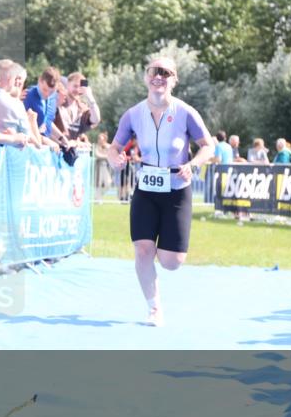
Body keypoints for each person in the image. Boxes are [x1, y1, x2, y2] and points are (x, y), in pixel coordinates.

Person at [107, 57, 214, 327]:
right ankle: (154, 307)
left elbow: (208, 146)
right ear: (146, 77)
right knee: (143, 250)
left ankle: (163, 250)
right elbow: (114, 147)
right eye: (154, 72)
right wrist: (114, 158)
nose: (159, 77)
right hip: (145, 189)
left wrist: (192, 164)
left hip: (177, 190)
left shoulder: (186, 112)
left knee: (171, 262)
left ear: (174, 80)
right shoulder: (133, 114)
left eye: (166, 73)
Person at [61, 72, 100, 141]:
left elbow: (96, 119)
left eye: (80, 87)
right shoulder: (59, 102)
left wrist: (90, 97)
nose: (78, 90)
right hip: (56, 147)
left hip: (72, 149)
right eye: (75, 86)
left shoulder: (82, 108)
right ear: (67, 85)